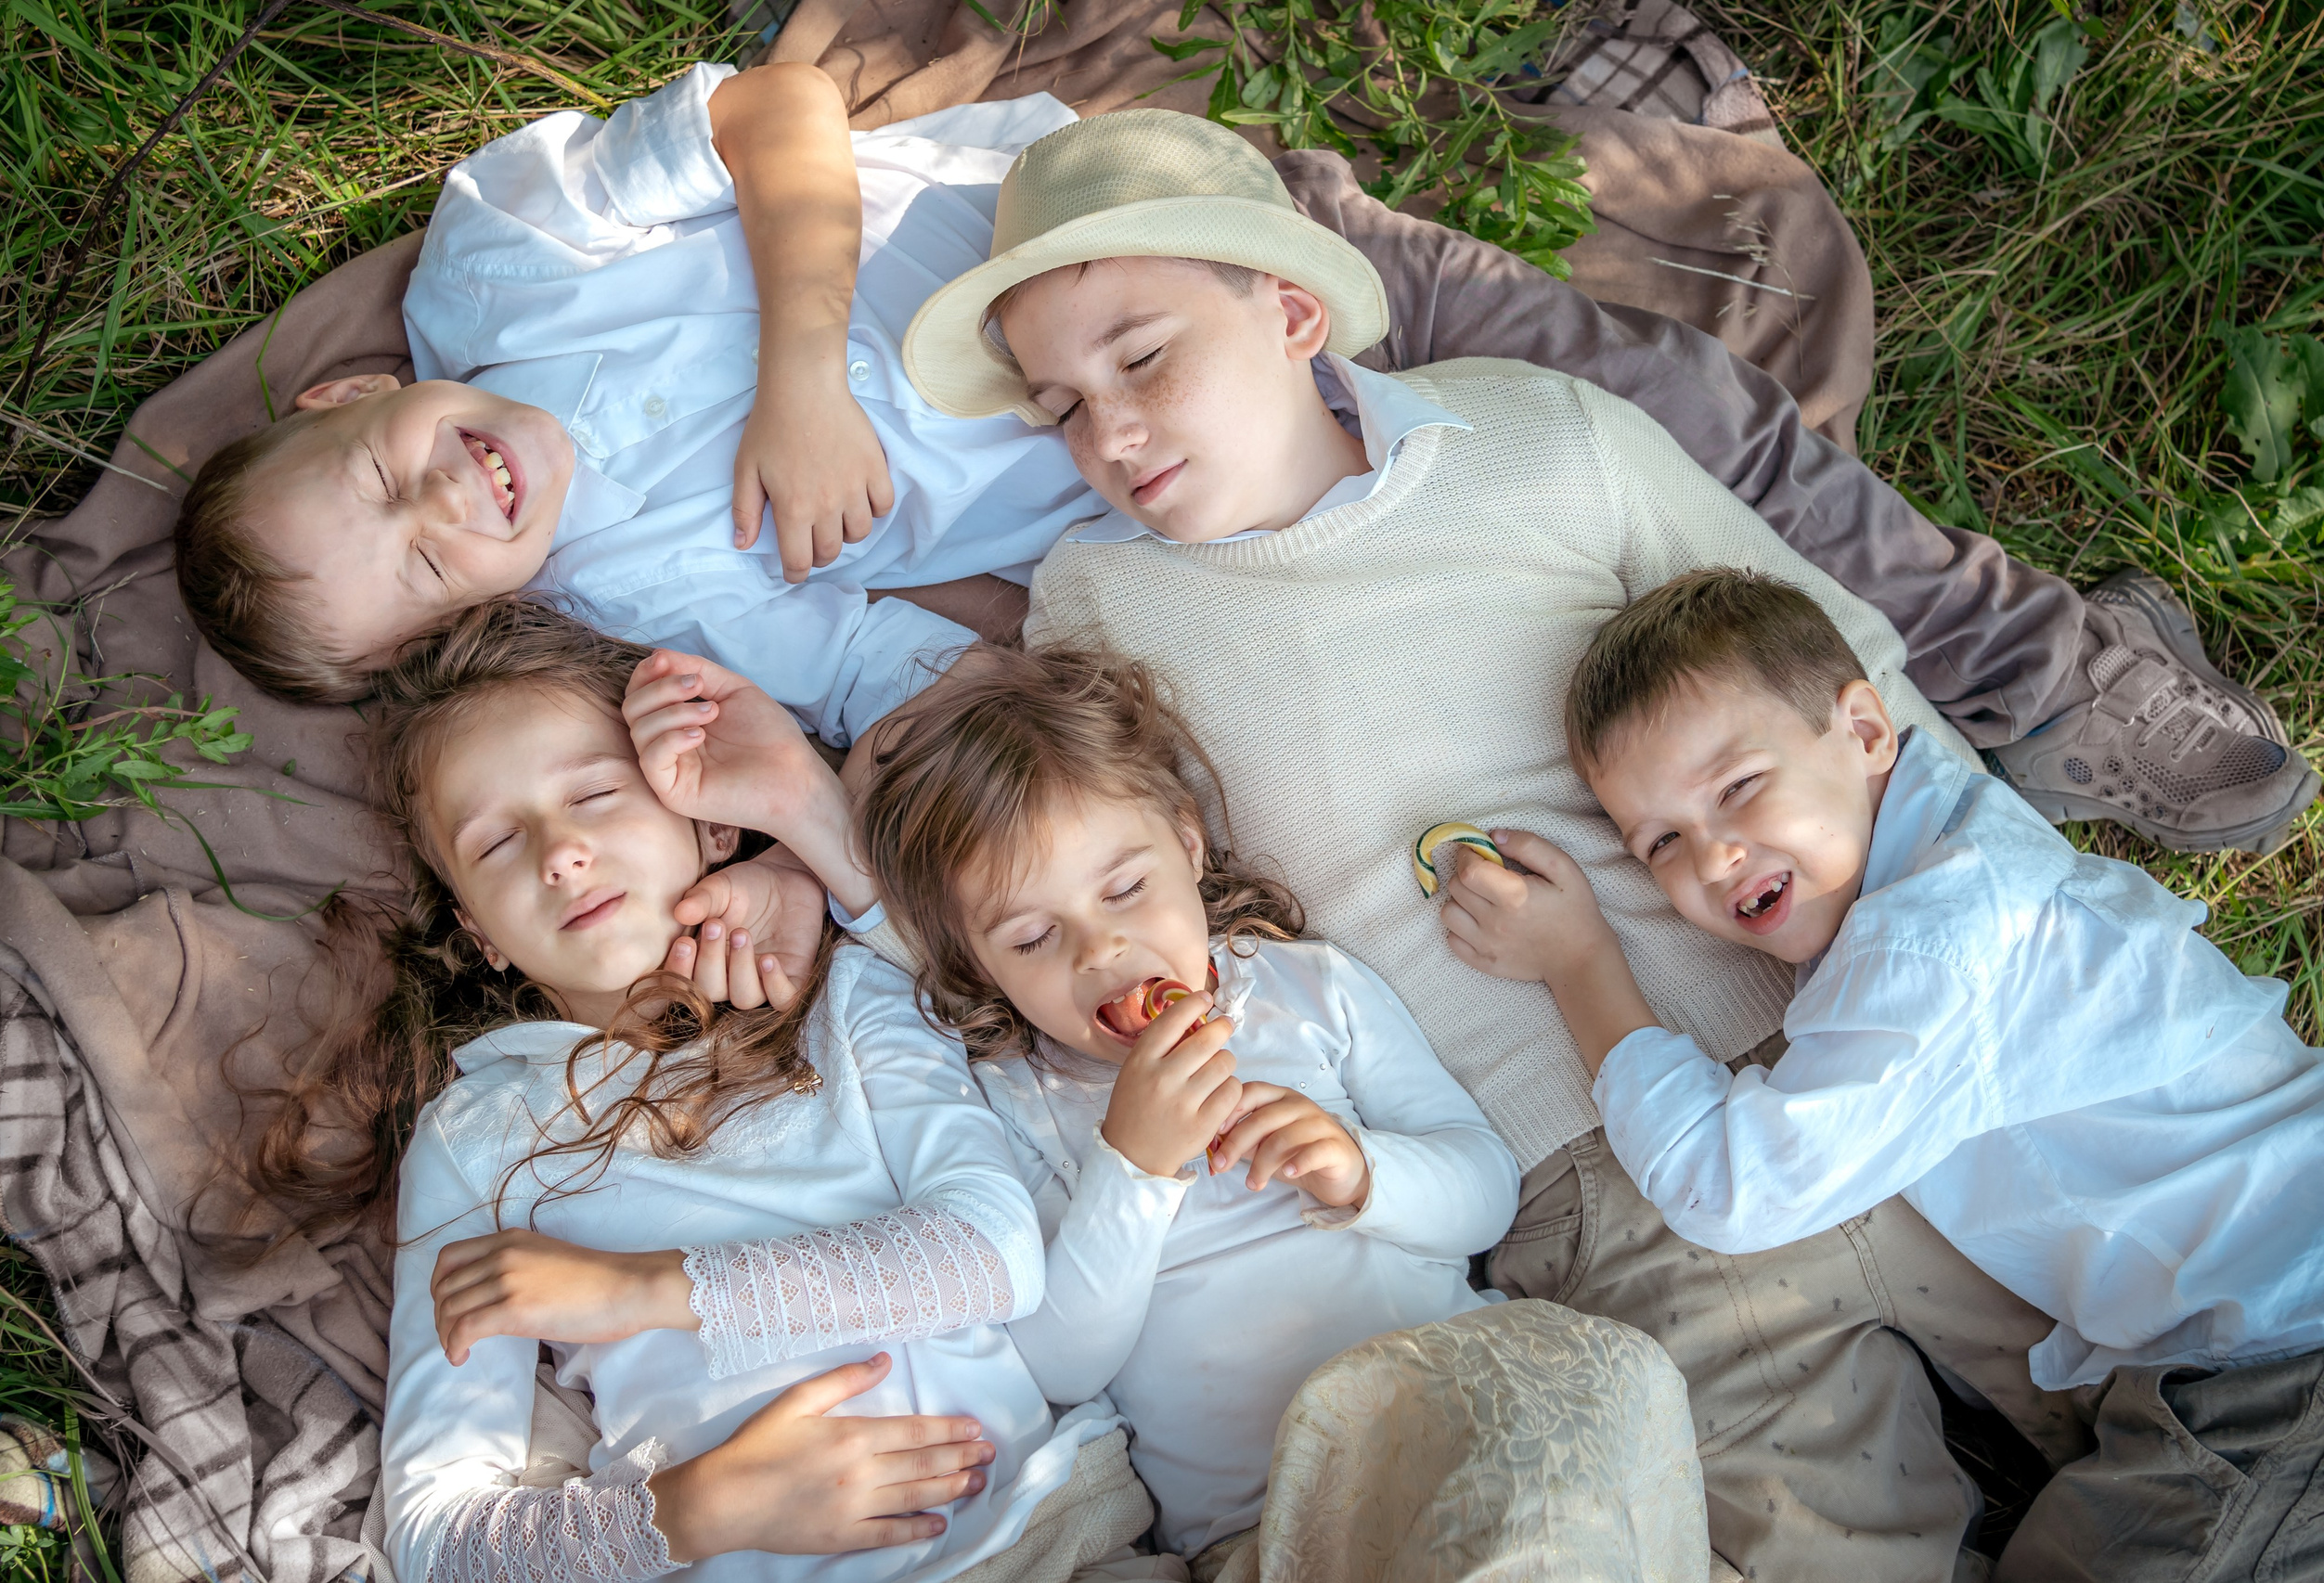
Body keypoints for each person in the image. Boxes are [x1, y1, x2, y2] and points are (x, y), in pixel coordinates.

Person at [893, 107, 2109, 1581]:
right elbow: (1023, 824)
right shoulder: (1099, 600)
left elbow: (1845, 663)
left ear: (1286, 311)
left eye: (1141, 359)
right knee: (1838, 1547)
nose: (1112, 433)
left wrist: (2010, 917)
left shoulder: (1535, 434)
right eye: (1060, 408)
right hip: (1589, 1175)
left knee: (2187, 1376)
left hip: (1869, 1030)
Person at [170, 63, 2308, 855]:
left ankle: (2007, 660)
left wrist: (800, 375)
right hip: (1169, 485)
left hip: (1175, 257)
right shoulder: (631, 582)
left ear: (349, 397)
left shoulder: (498, 268)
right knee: (1480, 659)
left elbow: (775, 113)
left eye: (385, 477)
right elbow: (890, 643)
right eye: (432, 572)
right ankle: (1840, 773)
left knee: (1658, 408)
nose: (454, 506)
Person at [1442, 566, 2324, 1581]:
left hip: (2280, 1360)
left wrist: (1581, 967)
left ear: (1864, 731)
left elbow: (1734, 1185)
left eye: (1737, 787)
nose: (1718, 856)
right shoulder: (1940, 859)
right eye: (1663, 842)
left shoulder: (1938, 937)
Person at [846, 640, 1705, 1574]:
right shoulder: (1019, 1097)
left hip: (1458, 1421)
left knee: (1607, 1392)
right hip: (1268, 1519)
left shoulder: (1307, 990)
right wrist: (1132, 1167)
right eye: (1033, 936)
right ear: (982, 967)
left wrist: (1359, 1169)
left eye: (1125, 887)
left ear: (1186, 842)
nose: (1101, 948)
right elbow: (1058, 1365)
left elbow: (1484, 1189)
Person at [355, 598, 1159, 1583]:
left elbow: (990, 1256)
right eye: (494, 844)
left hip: (1035, 1535)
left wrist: (639, 1288)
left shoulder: (845, 986)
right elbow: (438, 1546)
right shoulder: (475, 1137)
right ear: (480, 932)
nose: (560, 851)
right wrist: (699, 1506)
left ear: (704, 825)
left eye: (597, 794)